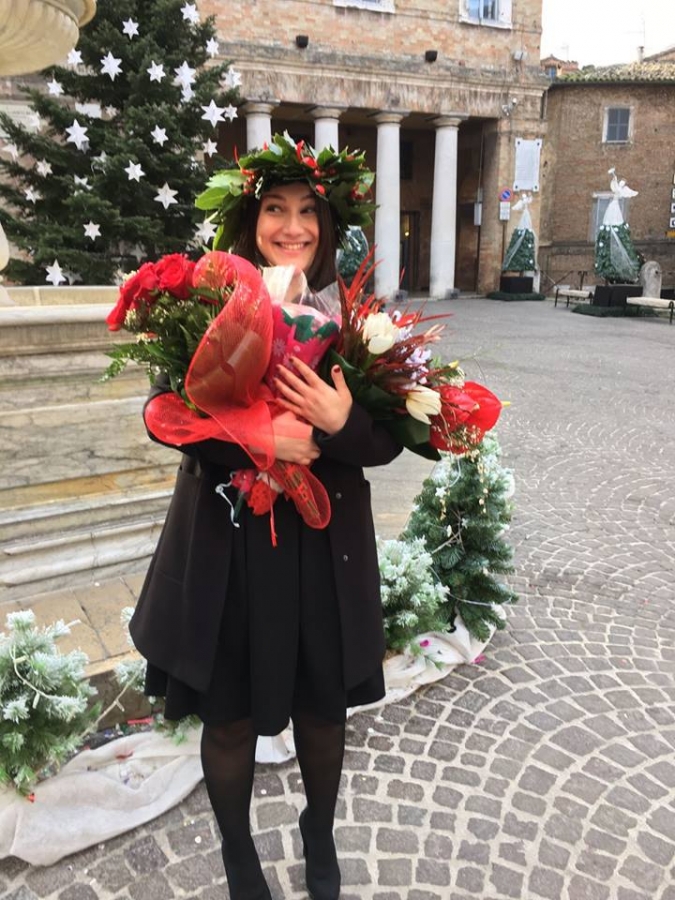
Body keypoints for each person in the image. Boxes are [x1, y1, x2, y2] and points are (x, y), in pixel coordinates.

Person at [129, 133, 400, 900]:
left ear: (329, 225)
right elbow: (161, 413)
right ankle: (239, 856)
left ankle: (318, 832)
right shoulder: (208, 304)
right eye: (275, 209)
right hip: (229, 546)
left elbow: (392, 440)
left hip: (321, 545)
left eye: (308, 211)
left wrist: (340, 422)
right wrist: (256, 433)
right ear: (249, 221)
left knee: (322, 705)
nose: (292, 226)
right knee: (229, 715)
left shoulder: (360, 320)